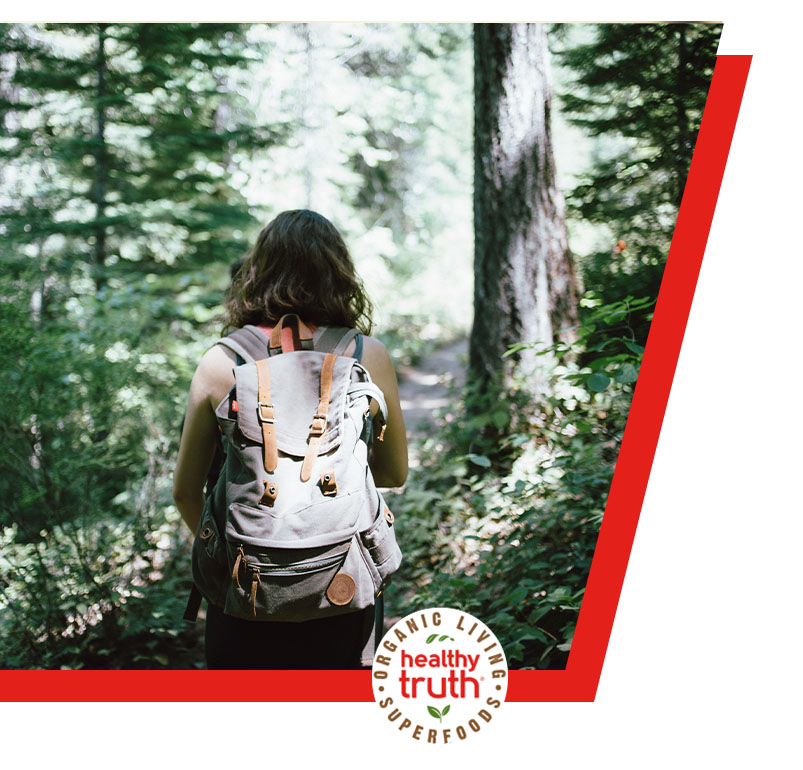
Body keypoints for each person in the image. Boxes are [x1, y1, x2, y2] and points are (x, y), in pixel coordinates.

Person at [172, 209, 408, 669]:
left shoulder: (222, 362)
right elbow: (393, 473)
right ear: (338, 273)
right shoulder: (367, 355)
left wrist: (236, 553)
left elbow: (185, 491)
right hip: (344, 583)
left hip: (244, 592)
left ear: (258, 272)